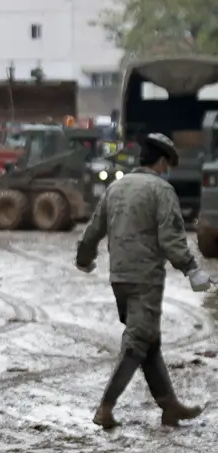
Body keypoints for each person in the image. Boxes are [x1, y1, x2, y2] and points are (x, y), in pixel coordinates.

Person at [76, 132, 212, 430]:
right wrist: (192, 269)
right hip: (145, 279)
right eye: (168, 165)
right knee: (137, 343)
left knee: (148, 340)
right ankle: (105, 407)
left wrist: (84, 259)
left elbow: (93, 229)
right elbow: (171, 239)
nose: (167, 170)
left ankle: (170, 406)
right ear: (161, 161)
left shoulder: (116, 187)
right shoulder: (162, 191)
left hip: (119, 278)